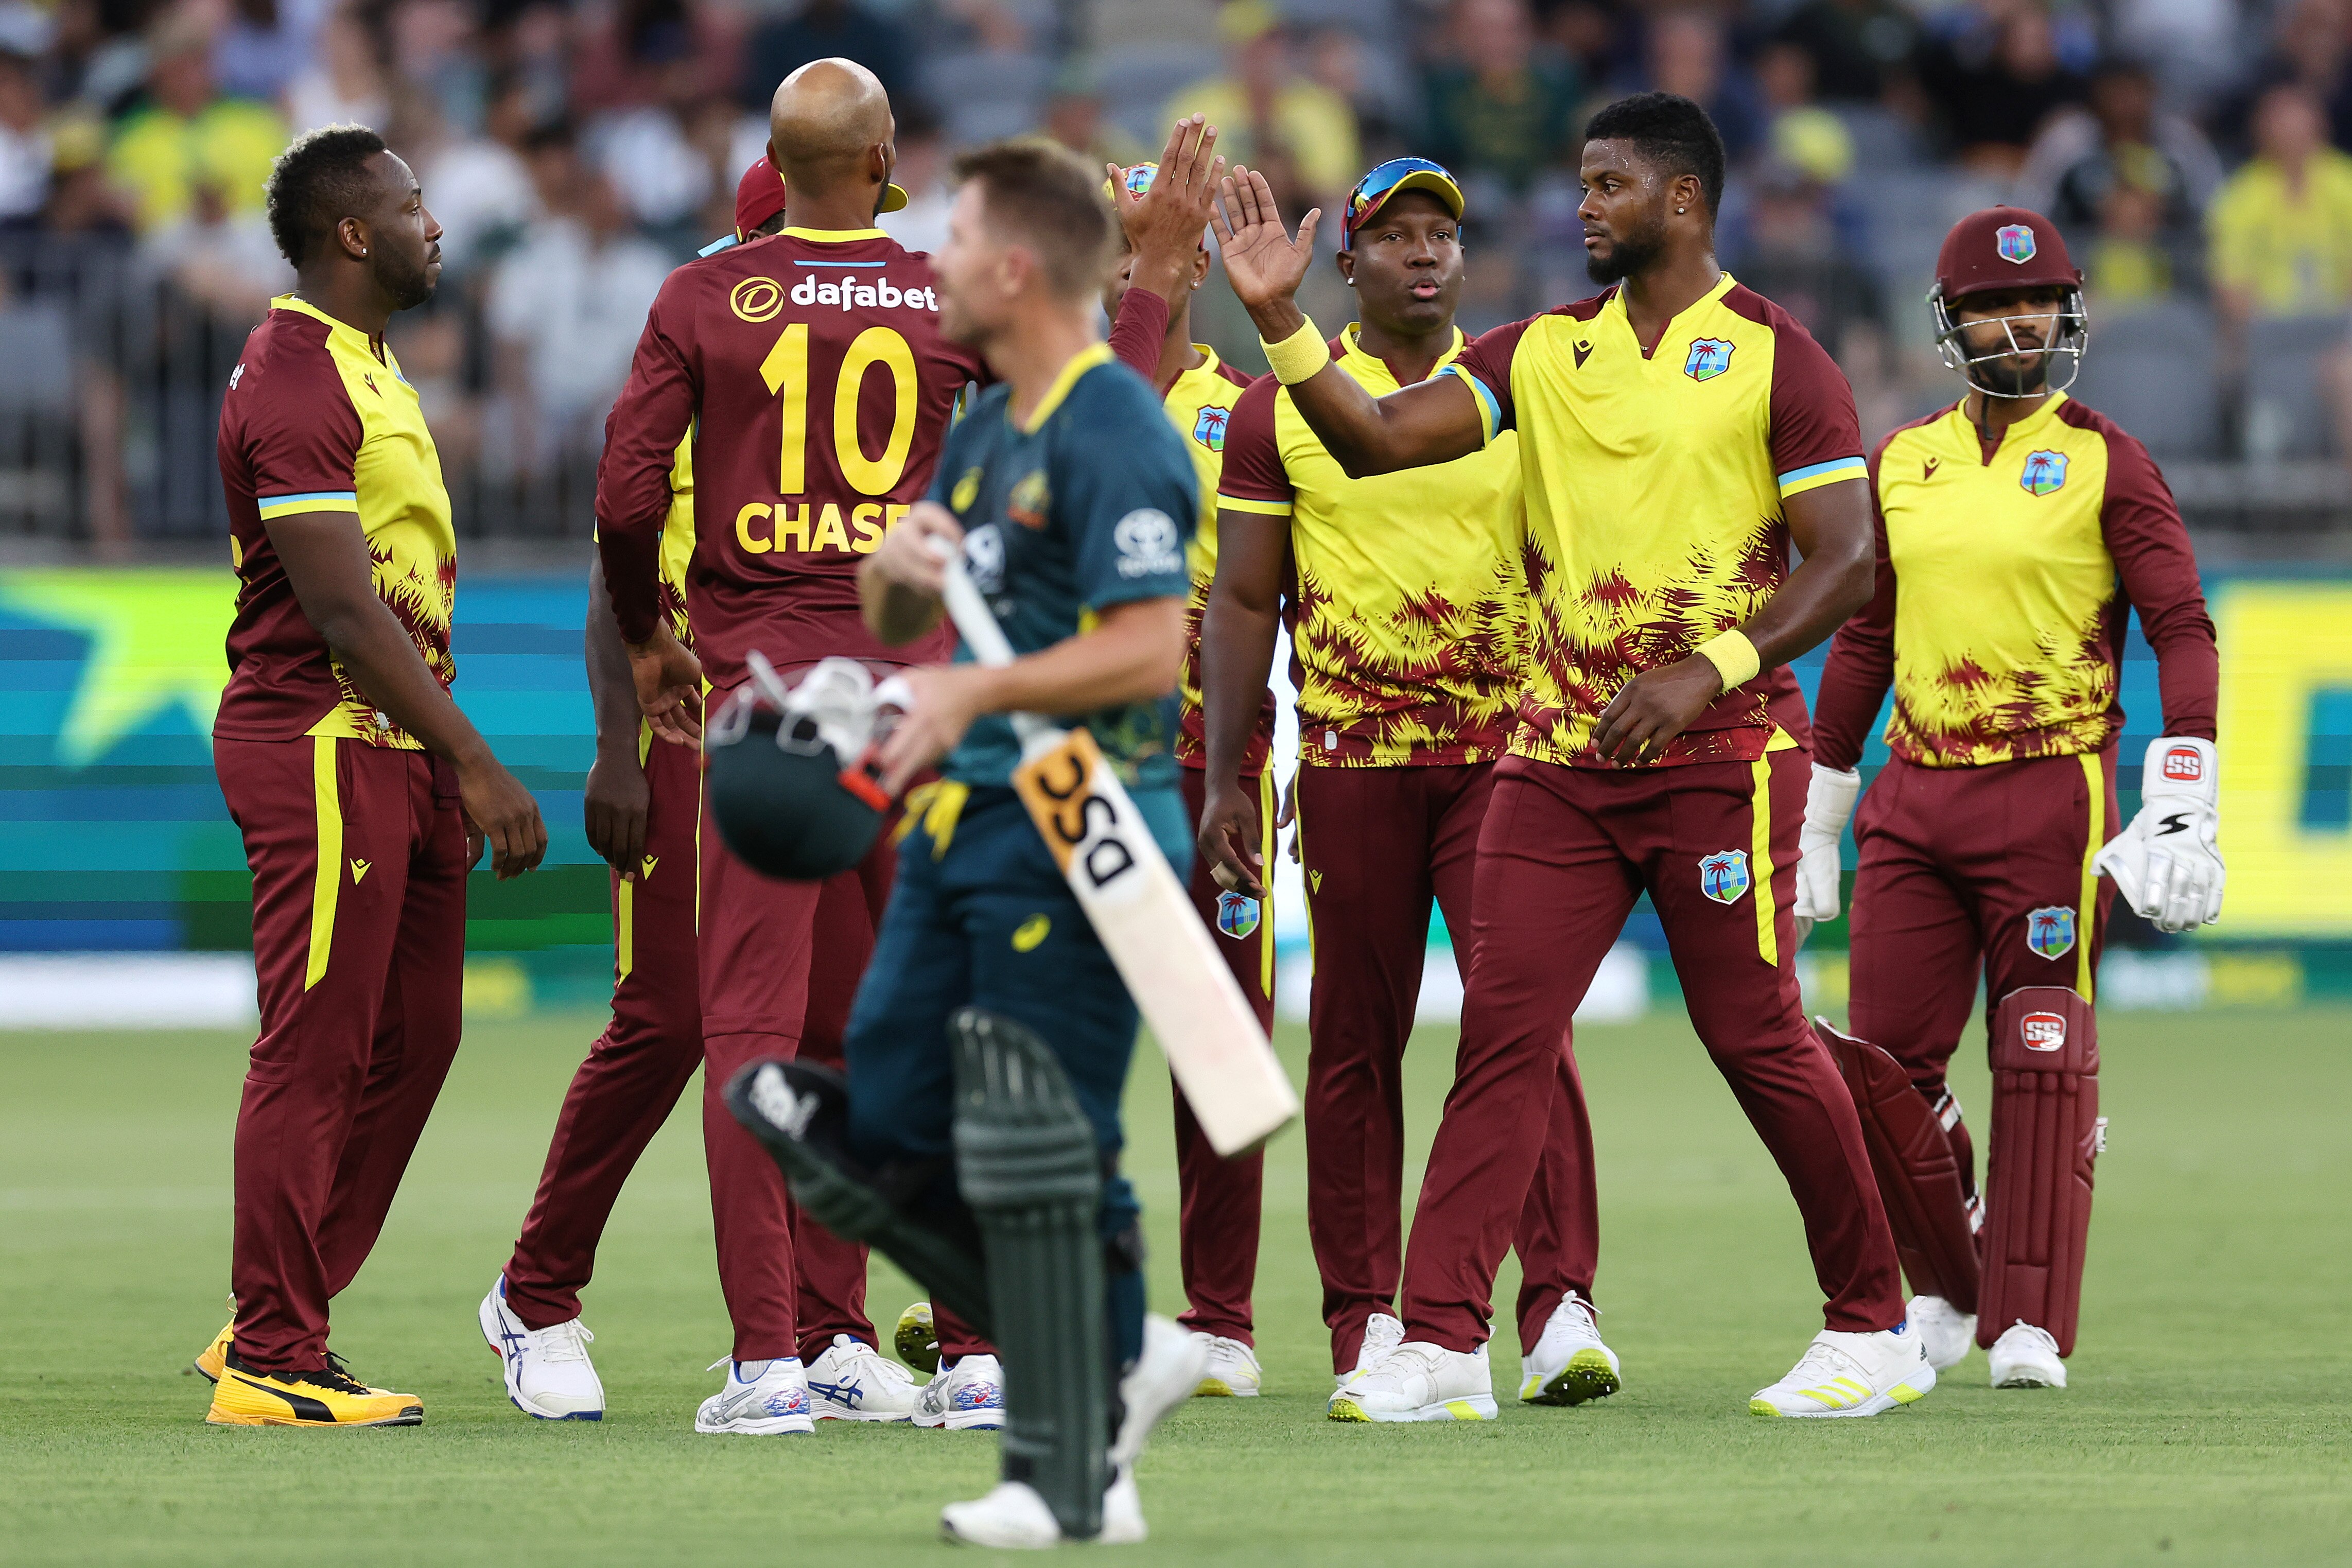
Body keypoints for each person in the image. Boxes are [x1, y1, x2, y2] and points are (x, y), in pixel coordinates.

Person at [1211, 90, 1929, 1420]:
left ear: (1683, 201)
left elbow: (1847, 566)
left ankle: (1871, 1321)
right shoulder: (1539, 353)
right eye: (1583, 183)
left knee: (1754, 1032)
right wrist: (1277, 318)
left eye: (1607, 185)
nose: (1583, 205)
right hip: (1557, 760)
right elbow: (1371, 443)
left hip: (1721, 750)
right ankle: (1436, 1341)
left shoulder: (1779, 356)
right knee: (1504, 1034)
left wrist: (1705, 666)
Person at [743, 134, 1209, 1545]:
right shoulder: (985, 421)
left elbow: (1146, 650)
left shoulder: (1113, 424)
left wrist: (974, 688)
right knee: (872, 1114)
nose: (926, 263)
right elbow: (917, 620)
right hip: (965, 814)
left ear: (1013, 268)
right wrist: (894, 591)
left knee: (1041, 1135)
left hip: (1081, 815)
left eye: (948, 240)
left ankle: (1065, 1471)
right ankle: (1121, 1350)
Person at [584, 56, 982, 1435]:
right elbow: (1076, 414)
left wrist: (649, 635)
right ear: (882, 159)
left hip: (758, 694)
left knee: (751, 1025)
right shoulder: (946, 290)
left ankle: (769, 1361)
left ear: (772, 156)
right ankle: (979, 1349)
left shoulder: (701, 295)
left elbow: (628, 500)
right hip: (908, 700)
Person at [1196, 154, 1610, 1416]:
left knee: (1518, 1024)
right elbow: (1243, 595)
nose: (1423, 254)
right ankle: (1366, 1317)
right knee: (1352, 1046)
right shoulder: (1281, 409)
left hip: (1506, 760)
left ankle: (1554, 1308)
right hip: (1352, 764)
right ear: (1349, 263)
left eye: (1443, 234)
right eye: (1394, 237)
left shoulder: (1518, 389)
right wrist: (1230, 768)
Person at [1802, 206, 2220, 1391]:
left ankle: (2027, 1322)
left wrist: (2182, 790)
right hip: (1914, 791)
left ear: (2067, 313)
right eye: (1989, 303)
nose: (2016, 320)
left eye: (2034, 301)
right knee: (1880, 1061)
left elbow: (2179, 628)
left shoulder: (2104, 457)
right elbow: (1864, 636)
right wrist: (1823, 805)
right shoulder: (1902, 461)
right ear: (1949, 323)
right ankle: (1948, 1279)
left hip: (2050, 786)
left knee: (2038, 1047)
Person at [197, 124, 547, 1427]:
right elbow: (344, 612)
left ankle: (272, 1305)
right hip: (323, 741)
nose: (432, 224)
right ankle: (276, 1353)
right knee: (318, 1044)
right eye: (412, 205)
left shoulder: (370, 365)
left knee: (416, 1036)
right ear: (353, 232)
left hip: (397, 749)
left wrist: (444, 754)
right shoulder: (295, 377)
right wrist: (480, 761)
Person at [481, 155, 814, 1425]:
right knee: (672, 1016)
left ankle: (814, 1331)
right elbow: (611, 566)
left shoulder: (848, 385)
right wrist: (614, 751)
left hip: (814, 738)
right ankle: (536, 1291)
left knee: (809, 1023)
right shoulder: (713, 348)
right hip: (688, 735)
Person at [1097, 130, 1277, 1400]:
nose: (1129, 273)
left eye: (1148, 248)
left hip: (1217, 763)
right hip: (1070, 772)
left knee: (1219, 1039)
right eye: (1112, 249)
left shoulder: (1250, 410)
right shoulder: (1039, 400)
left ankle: (1220, 1317)